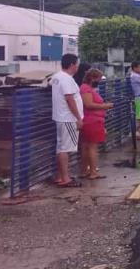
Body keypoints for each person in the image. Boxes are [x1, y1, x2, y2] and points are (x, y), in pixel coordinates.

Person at [51, 54, 84, 187]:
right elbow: (69, 99)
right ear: (71, 65)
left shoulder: (56, 77)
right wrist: (78, 118)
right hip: (68, 118)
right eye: (76, 64)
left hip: (61, 117)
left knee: (61, 148)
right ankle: (65, 178)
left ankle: (60, 176)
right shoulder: (66, 79)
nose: (77, 67)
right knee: (66, 148)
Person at [79, 68, 113, 180]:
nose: (99, 81)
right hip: (92, 121)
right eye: (98, 78)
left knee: (86, 146)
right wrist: (105, 106)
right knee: (92, 147)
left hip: (92, 120)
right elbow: (89, 104)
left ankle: (85, 170)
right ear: (92, 78)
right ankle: (93, 172)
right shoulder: (86, 89)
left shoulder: (87, 88)